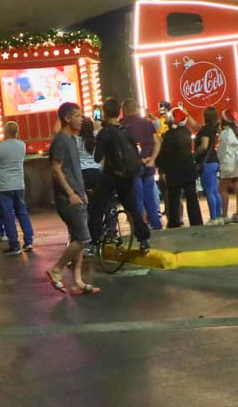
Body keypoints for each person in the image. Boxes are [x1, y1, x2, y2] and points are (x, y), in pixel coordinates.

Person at [47, 102, 100, 295]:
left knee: (78, 238)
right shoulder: (61, 140)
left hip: (78, 194)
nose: (81, 119)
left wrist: (82, 191)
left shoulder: (72, 139)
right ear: (67, 118)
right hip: (69, 198)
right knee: (84, 238)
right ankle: (56, 270)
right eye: (77, 115)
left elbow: (73, 169)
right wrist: (70, 193)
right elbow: (56, 169)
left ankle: (77, 280)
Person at [89, 97, 152, 252]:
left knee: (97, 207)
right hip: (127, 176)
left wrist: (97, 132)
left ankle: (94, 241)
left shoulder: (104, 133)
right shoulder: (126, 129)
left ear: (104, 113)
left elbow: (97, 157)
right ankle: (143, 240)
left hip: (111, 176)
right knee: (132, 208)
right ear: (119, 112)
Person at [0, 122, 35, 255]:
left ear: (5, 132)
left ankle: (14, 245)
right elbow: (8, 145)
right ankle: (28, 241)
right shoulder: (22, 145)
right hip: (19, 185)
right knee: (22, 212)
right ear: (17, 132)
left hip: (3, 186)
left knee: (8, 215)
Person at [155, 107, 203, 227]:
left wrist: (162, 170)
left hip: (174, 172)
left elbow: (164, 155)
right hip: (188, 170)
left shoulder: (168, 136)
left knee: (174, 199)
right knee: (192, 199)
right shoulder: (186, 132)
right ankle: (196, 222)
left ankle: (174, 223)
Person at [122, 98, 162, 230]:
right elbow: (157, 142)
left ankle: (141, 226)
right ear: (136, 109)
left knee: (137, 198)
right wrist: (152, 158)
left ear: (125, 109)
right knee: (150, 197)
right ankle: (156, 224)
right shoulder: (147, 123)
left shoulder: (123, 126)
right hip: (149, 166)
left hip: (134, 166)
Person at [195, 107, 223, 225]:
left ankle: (213, 218)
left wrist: (195, 153)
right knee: (215, 191)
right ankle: (219, 216)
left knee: (209, 191)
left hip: (207, 163)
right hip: (215, 161)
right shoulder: (214, 129)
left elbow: (204, 146)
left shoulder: (206, 130)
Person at [217, 109, 238, 224]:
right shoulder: (236, 130)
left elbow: (222, 150)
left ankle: (224, 215)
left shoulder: (225, 133)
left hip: (228, 164)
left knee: (223, 189)